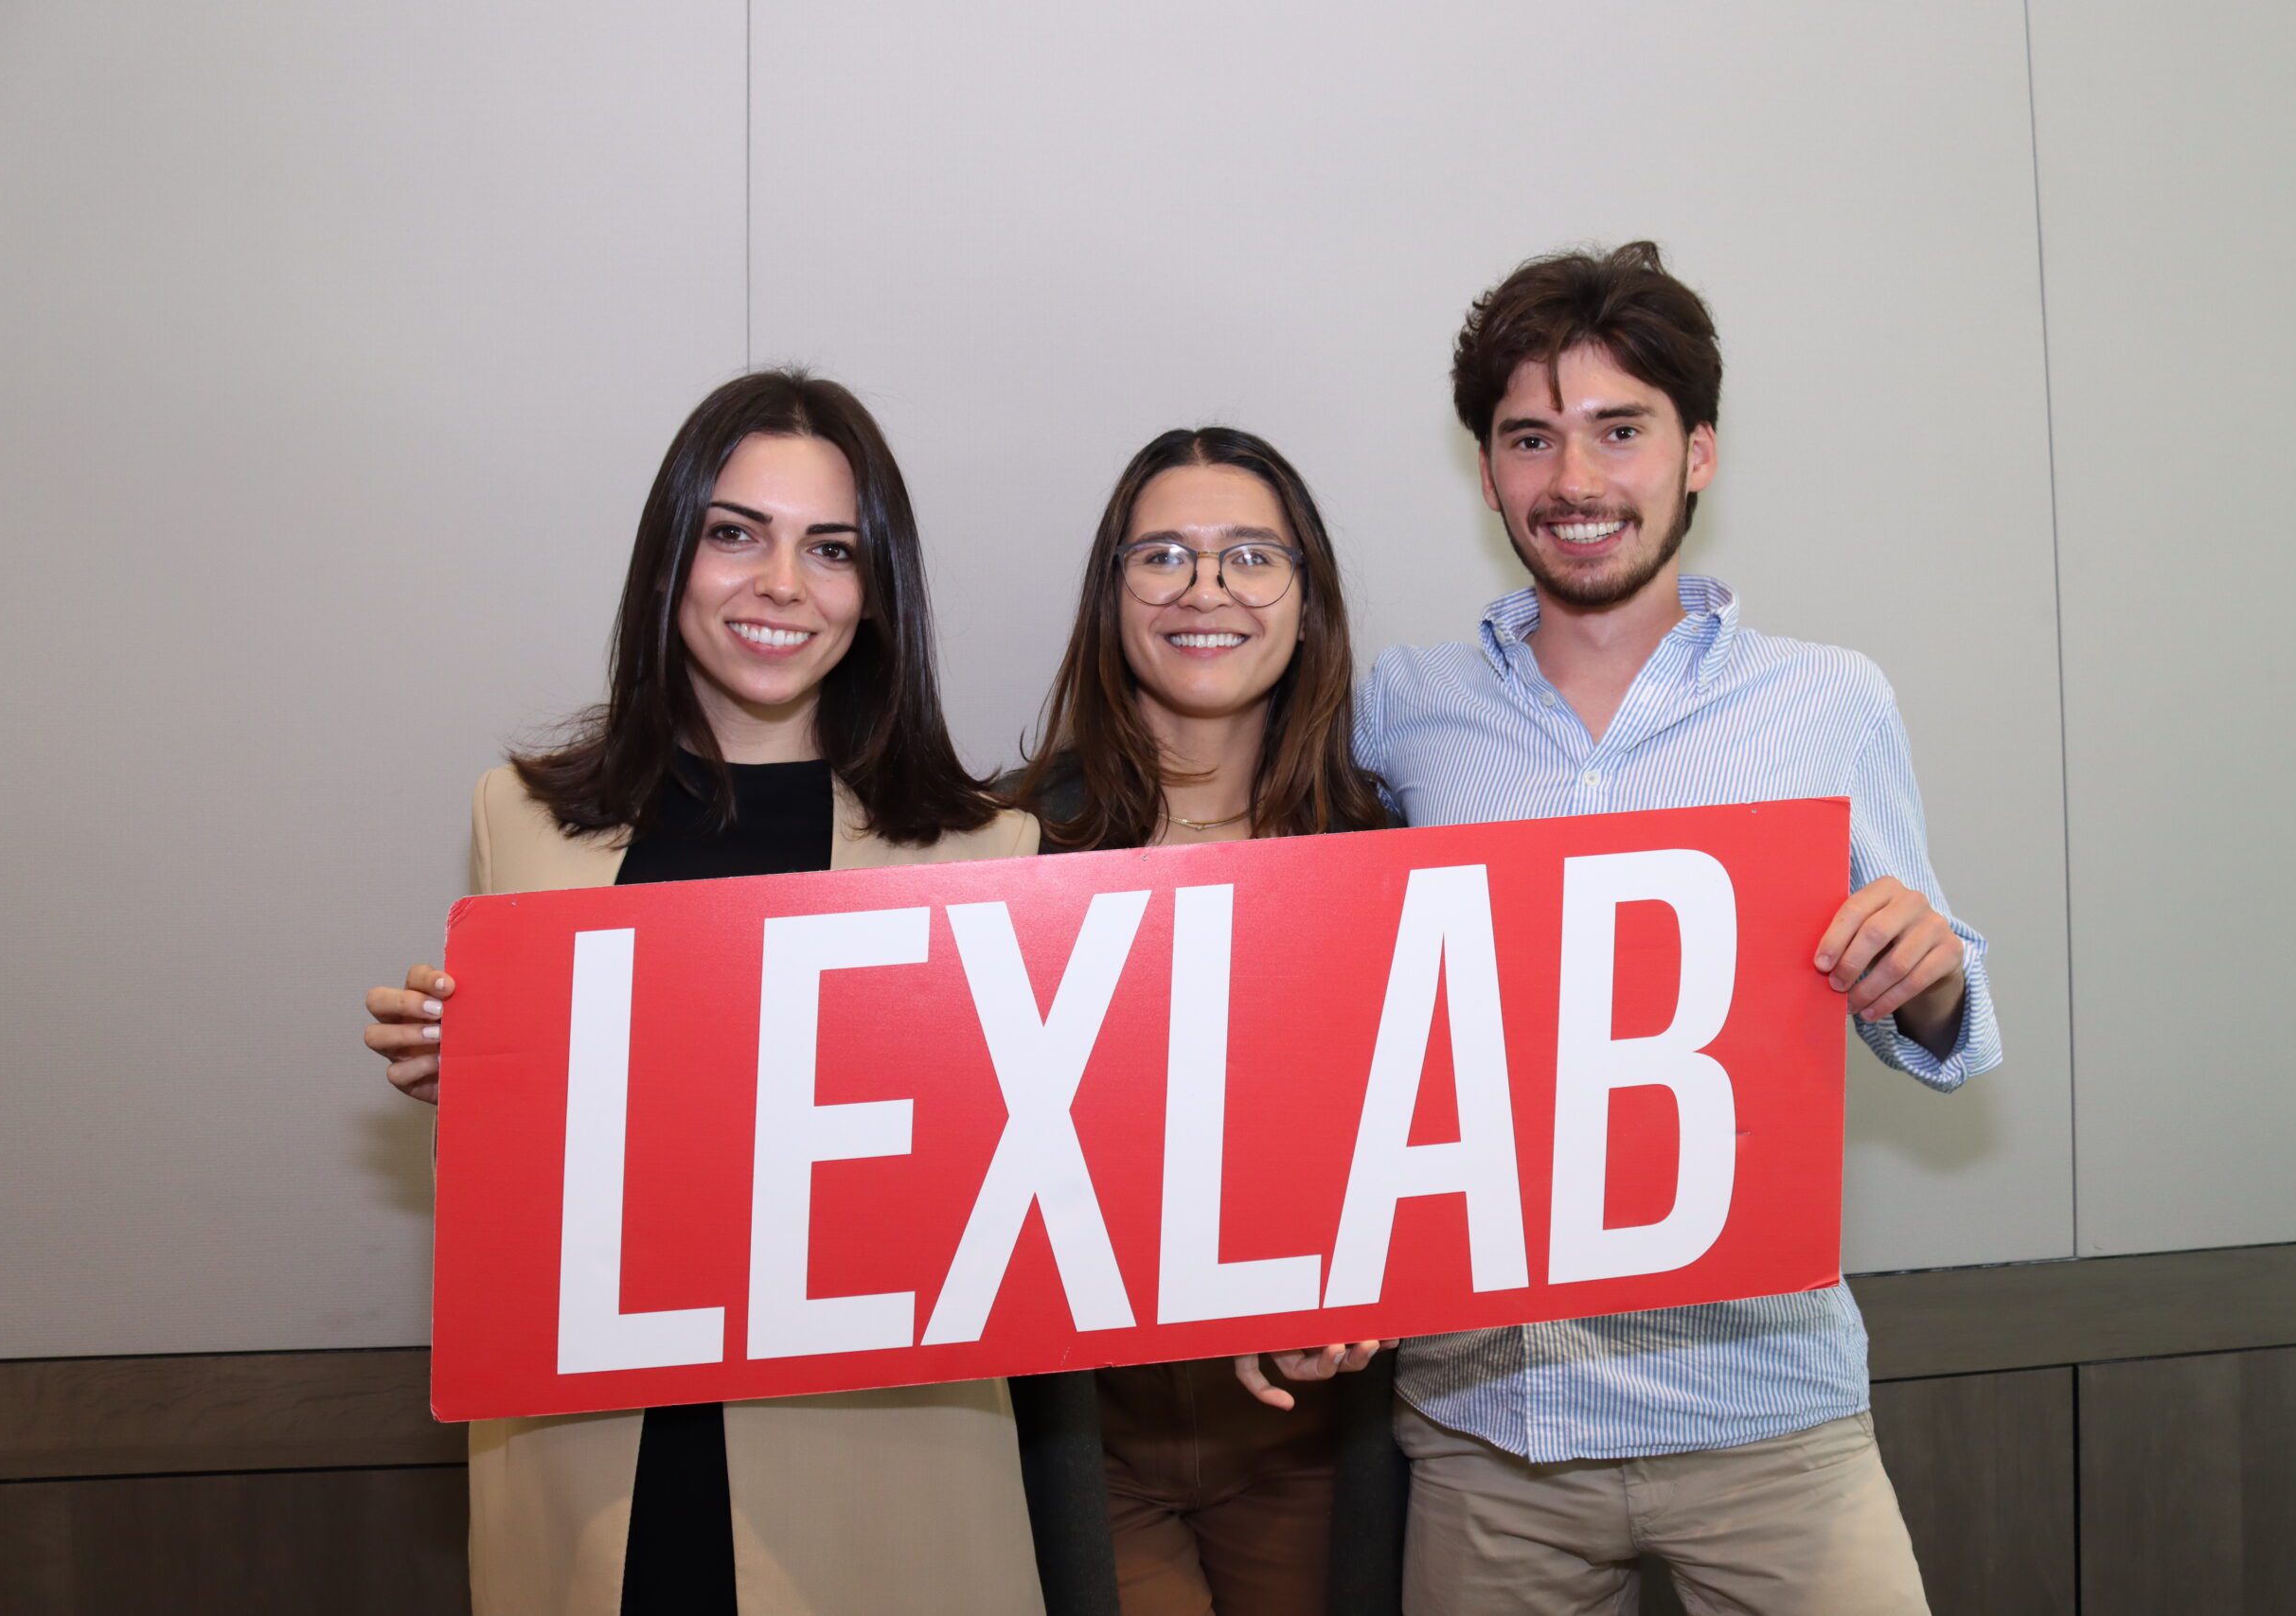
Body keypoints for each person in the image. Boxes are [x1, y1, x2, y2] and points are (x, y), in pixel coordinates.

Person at [1352, 243, 2003, 1616]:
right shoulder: (1398, 710)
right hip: (1493, 1428)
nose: (1575, 481)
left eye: (1621, 429)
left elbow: (1944, 1022)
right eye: (1532, 437)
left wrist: (1929, 971)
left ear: (1698, 453)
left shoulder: (1829, 699)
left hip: (1771, 1415)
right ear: (1487, 472)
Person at [360, 367, 1046, 1616]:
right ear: (670, 557)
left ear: (876, 591)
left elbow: (1011, 1186)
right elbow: (551, 1158)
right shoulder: (521, 817)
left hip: (874, 1458)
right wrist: (468, 1067)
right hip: (597, 1453)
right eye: (736, 532)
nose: (781, 583)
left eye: (829, 547)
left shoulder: (985, 850)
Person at [1007, 427, 1409, 1616]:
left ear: (1305, 600)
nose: (1206, 591)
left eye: (1249, 556)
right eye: (1163, 556)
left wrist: (1366, 1297)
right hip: (1089, 1441)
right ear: (1111, 593)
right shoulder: (1002, 851)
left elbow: (1429, 1156)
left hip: (1307, 1443)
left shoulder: (1390, 859)